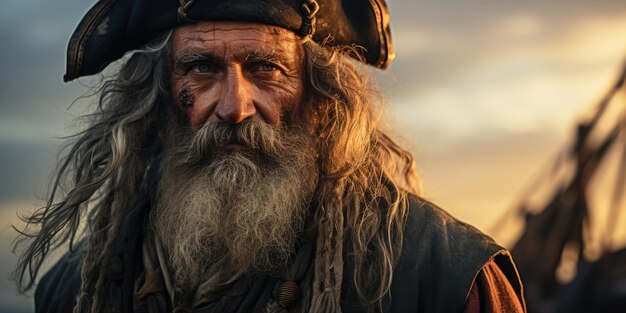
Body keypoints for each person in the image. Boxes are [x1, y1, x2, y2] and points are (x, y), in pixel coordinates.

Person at [14, 0, 526, 312]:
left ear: (321, 98)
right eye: (202, 68)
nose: (235, 107)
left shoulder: (443, 280)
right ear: (160, 97)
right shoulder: (83, 289)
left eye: (265, 68)